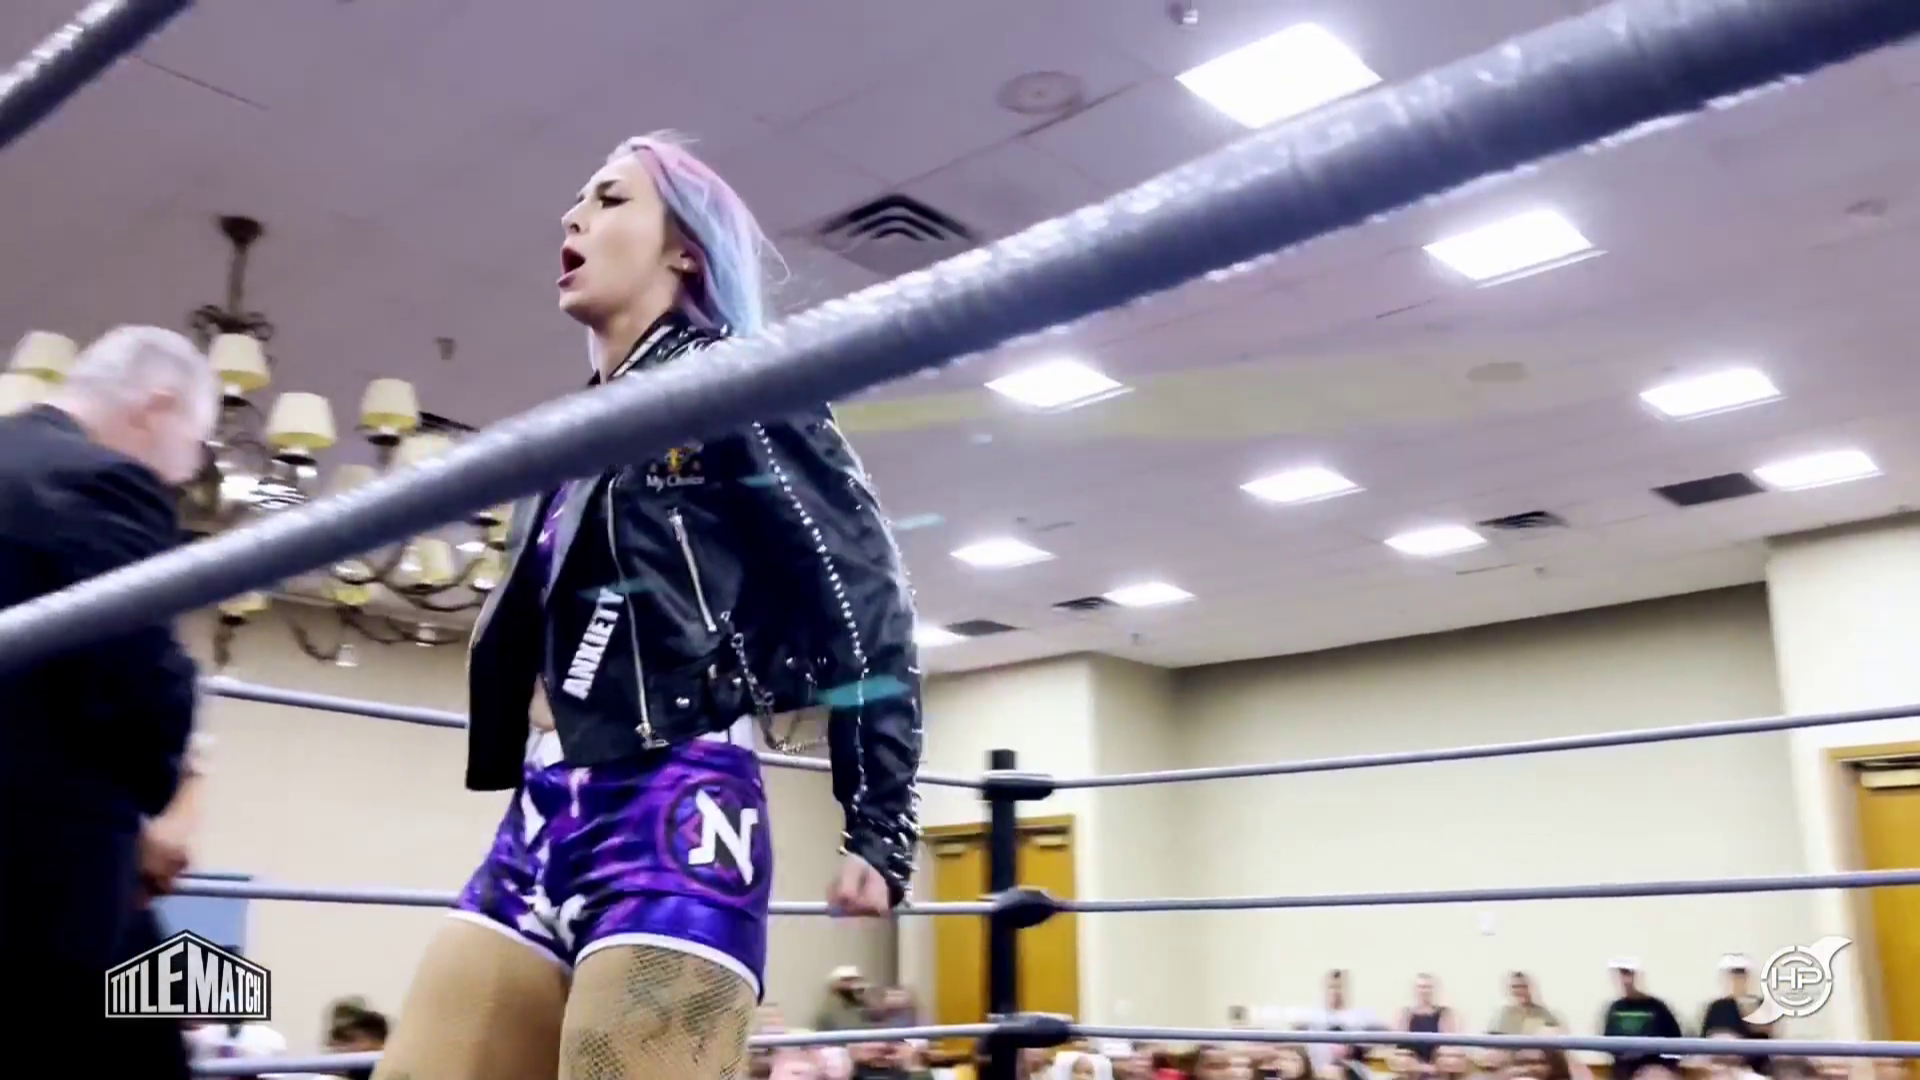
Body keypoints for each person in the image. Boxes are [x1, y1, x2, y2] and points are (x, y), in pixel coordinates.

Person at [375, 131, 922, 1080]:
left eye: (611, 197)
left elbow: (861, 589)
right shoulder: (575, 433)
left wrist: (879, 819)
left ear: (685, 250)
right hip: (543, 807)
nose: (573, 215)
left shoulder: (738, 380)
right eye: (579, 199)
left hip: (677, 808)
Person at [0, 327, 213, 1067]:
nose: (188, 471)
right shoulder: (103, 480)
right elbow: (145, 687)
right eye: (196, 443)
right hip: (44, 873)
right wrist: (173, 784)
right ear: (158, 406)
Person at [1600, 959, 1684, 1080]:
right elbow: (1609, 1043)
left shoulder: (1657, 1008)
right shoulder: (1615, 1009)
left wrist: (1660, 1068)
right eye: (1622, 975)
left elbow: (1675, 1045)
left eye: (1629, 974)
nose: (1626, 981)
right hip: (1624, 1071)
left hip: (1654, 1070)